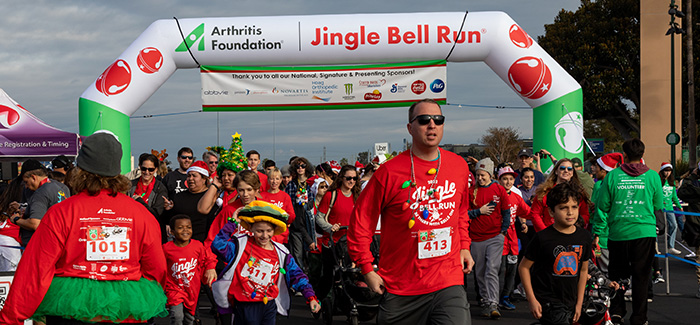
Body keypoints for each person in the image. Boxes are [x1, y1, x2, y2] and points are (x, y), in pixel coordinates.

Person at [0, 132, 167, 324]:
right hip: (124, 309)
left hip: (71, 309)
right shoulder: (141, 214)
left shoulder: (62, 212)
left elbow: (36, 270)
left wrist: (10, 318)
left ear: (81, 170)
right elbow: (157, 269)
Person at [348, 99, 474, 325]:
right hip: (401, 287)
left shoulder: (459, 166)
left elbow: (461, 211)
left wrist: (464, 245)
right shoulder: (389, 172)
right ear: (410, 128)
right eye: (424, 120)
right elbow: (361, 224)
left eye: (438, 120)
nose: (432, 125)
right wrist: (367, 269)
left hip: (447, 280)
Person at [210, 200, 320, 323]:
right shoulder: (240, 245)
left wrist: (311, 297)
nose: (264, 235)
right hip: (245, 304)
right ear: (251, 228)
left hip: (269, 305)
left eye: (269, 231)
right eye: (259, 231)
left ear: (275, 230)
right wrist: (232, 223)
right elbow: (218, 246)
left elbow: (297, 275)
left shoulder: (281, 252)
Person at [596, 138, 664, 325]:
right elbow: (658, 204)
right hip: (644, 232)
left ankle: (617, 312)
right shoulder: (652, 176)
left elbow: (603, 205)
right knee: (641, 276)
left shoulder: (612, 176)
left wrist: (598, 230)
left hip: (619, 232)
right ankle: (639, 317)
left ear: (624, 155)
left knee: (617, 274)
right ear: (642, 155)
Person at [518, 182, 591, 325]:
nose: (570, 212)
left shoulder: (585, 237)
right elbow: (523, 267)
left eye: (574, 207)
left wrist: (579, 303)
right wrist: (531, 299)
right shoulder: (542, 238)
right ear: (551, 212)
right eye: (563, 208)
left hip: (571, 300)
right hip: (548, 301)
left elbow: (583, 270)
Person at [468, 157, 511, 319]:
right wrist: (479, 211)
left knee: (492, 269)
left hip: (495, 236)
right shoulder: (471, 191)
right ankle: (485, 301)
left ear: (490, 174)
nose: (480, 178)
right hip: (476, 238)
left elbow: (506, 212)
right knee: (479, 272)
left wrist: (503, 232)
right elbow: (463, 214)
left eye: (483, 175)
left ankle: (493, 303)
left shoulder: (498, 189)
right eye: (478, 175)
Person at [163, 214, 217, 325]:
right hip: (174, 289)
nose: (185, 230)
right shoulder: (166, 248)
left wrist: (210, 269)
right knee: (177, 316)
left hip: (192, 289)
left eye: (188, 227)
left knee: (189, 319)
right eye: (180, 227)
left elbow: (208, 259)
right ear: (172, 232)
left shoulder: (198, 246)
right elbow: (158, 265)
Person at [9, 159, 70, 245]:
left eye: (26, 182)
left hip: (39, 244)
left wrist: (16, 219)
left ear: (33, 177)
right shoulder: (62, 188)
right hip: (59, 241)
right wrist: (22, 208)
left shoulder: (40, 192)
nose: (26, 186)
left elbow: (35, 224)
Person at [496, 166, 531, 311]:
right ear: (499, 180)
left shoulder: (516, 197)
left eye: (511, 179)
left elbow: (528, 212)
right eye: (505, 179)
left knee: (512, 269)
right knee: (498, 270)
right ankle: (493, 298)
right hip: (498, 239)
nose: (508, 182)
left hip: (512, 240)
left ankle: (505, 297)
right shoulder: (495, 196)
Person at [529, 159, 590, 232]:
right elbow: (535, 214)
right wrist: (545, 232)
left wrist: (577, 225)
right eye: (562, 168)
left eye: (570, 169)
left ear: (573, 173)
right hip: (549, 233)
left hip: (572, 234)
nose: (566, 171)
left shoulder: (579, 193)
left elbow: (585, 214)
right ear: (556, 171)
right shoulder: (544, 191)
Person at [206, 170, 263, 247]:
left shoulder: (265, 208)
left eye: (249, 189)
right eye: (241, 190)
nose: (245, 194)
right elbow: (212, 238)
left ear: (256, 189)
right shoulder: (229, 210)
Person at [163, 160, 215, 243]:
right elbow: (171, 220)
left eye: (194, 176)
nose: (190, 179)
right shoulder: (178, 196)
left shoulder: (211, 196)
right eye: (189, 176)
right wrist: (168, 210)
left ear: (204, 178)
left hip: (204, 243)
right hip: (182, 244)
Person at [589, 152, 624, 274]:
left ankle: (609, 290)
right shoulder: (619, 185)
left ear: (604, 170)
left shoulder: (602, 185)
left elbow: (601, 212)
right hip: (616, 234)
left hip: (602, 237)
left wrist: (596, 235)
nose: (594, 169)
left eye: (597, 167)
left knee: (603, 267)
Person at [284, 157, 315, 270]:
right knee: (297, 254)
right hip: (296, 222)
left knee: (310, 252)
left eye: (303, 166)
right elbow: (287, 203)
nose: (300, 168)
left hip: (309, 221)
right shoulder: (291, 184)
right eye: (297, 166)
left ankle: (310, 275)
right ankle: (300, 275)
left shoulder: (312, 183)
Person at [676, 163, 700, 299]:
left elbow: (682, 192)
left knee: (699, 259)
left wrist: (692, 176)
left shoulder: (693, 187)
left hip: (697, 227)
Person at [261, 167, 296, 244]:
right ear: (268, 180)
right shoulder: (261, 196)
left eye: (277, 179)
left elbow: (292, 216)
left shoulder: (285, 196)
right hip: (265, 235)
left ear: (281, 180)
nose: (274, 182)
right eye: (272, 179)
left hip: (281, 236)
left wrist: (285, 216)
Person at [127, 153, 167, 220]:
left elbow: (157, 214)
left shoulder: (160, 188)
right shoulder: (130, 185)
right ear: (139, 167)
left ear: (156, 169)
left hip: (150, 225)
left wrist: (139, 201)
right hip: (132, 223)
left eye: (150, 169)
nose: (146, 172)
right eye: (143, 169)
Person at [659, 162, 682, 255]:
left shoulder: (671, 183)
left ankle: (670, 246)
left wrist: (679, 206)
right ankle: (655, 247)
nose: (667, 173)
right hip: (659, 208)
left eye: (669, 171)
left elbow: (674, 197)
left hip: (669, 208)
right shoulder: (659, 181)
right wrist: (660, 202)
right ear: (662, 171)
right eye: (665, 171)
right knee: (658, 227)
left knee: (674, 225)